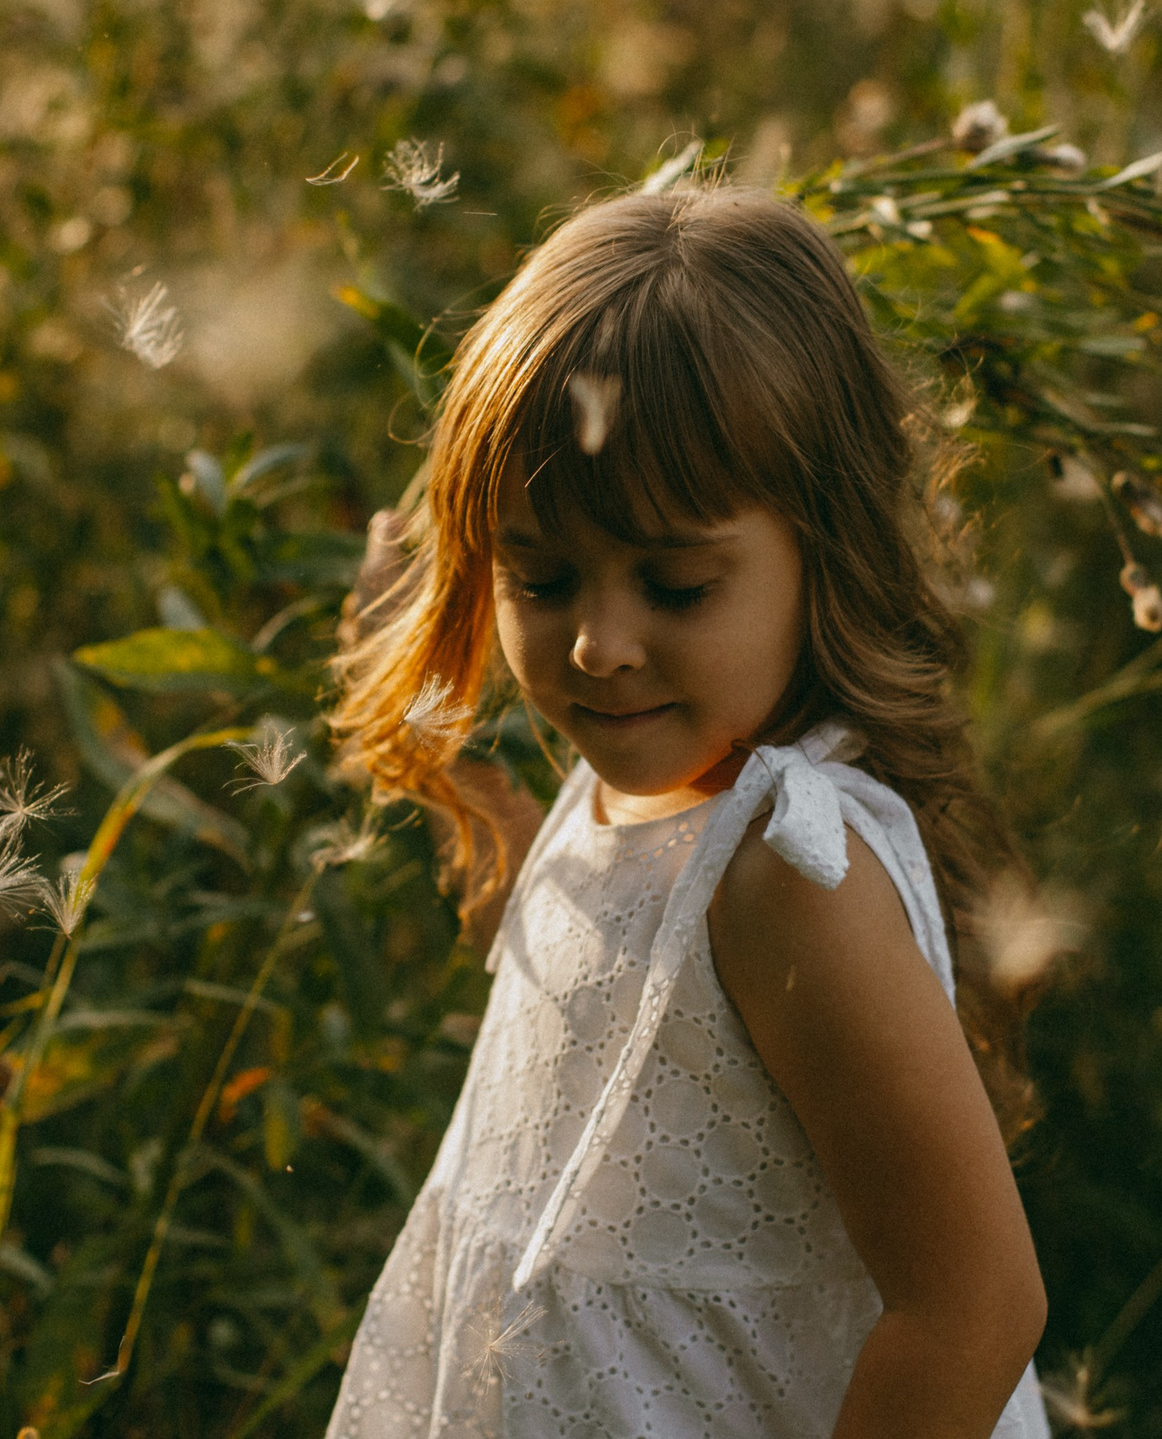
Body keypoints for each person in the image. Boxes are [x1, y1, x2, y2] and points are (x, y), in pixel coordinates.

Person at [325, 184, 1050, 1438]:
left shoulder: (794, 878)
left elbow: (975, 1306)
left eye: (675, 584)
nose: (601, 645)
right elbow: (604, 969)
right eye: (541, 577)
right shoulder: (627, 788)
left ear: (823, 548)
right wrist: (446, 756)